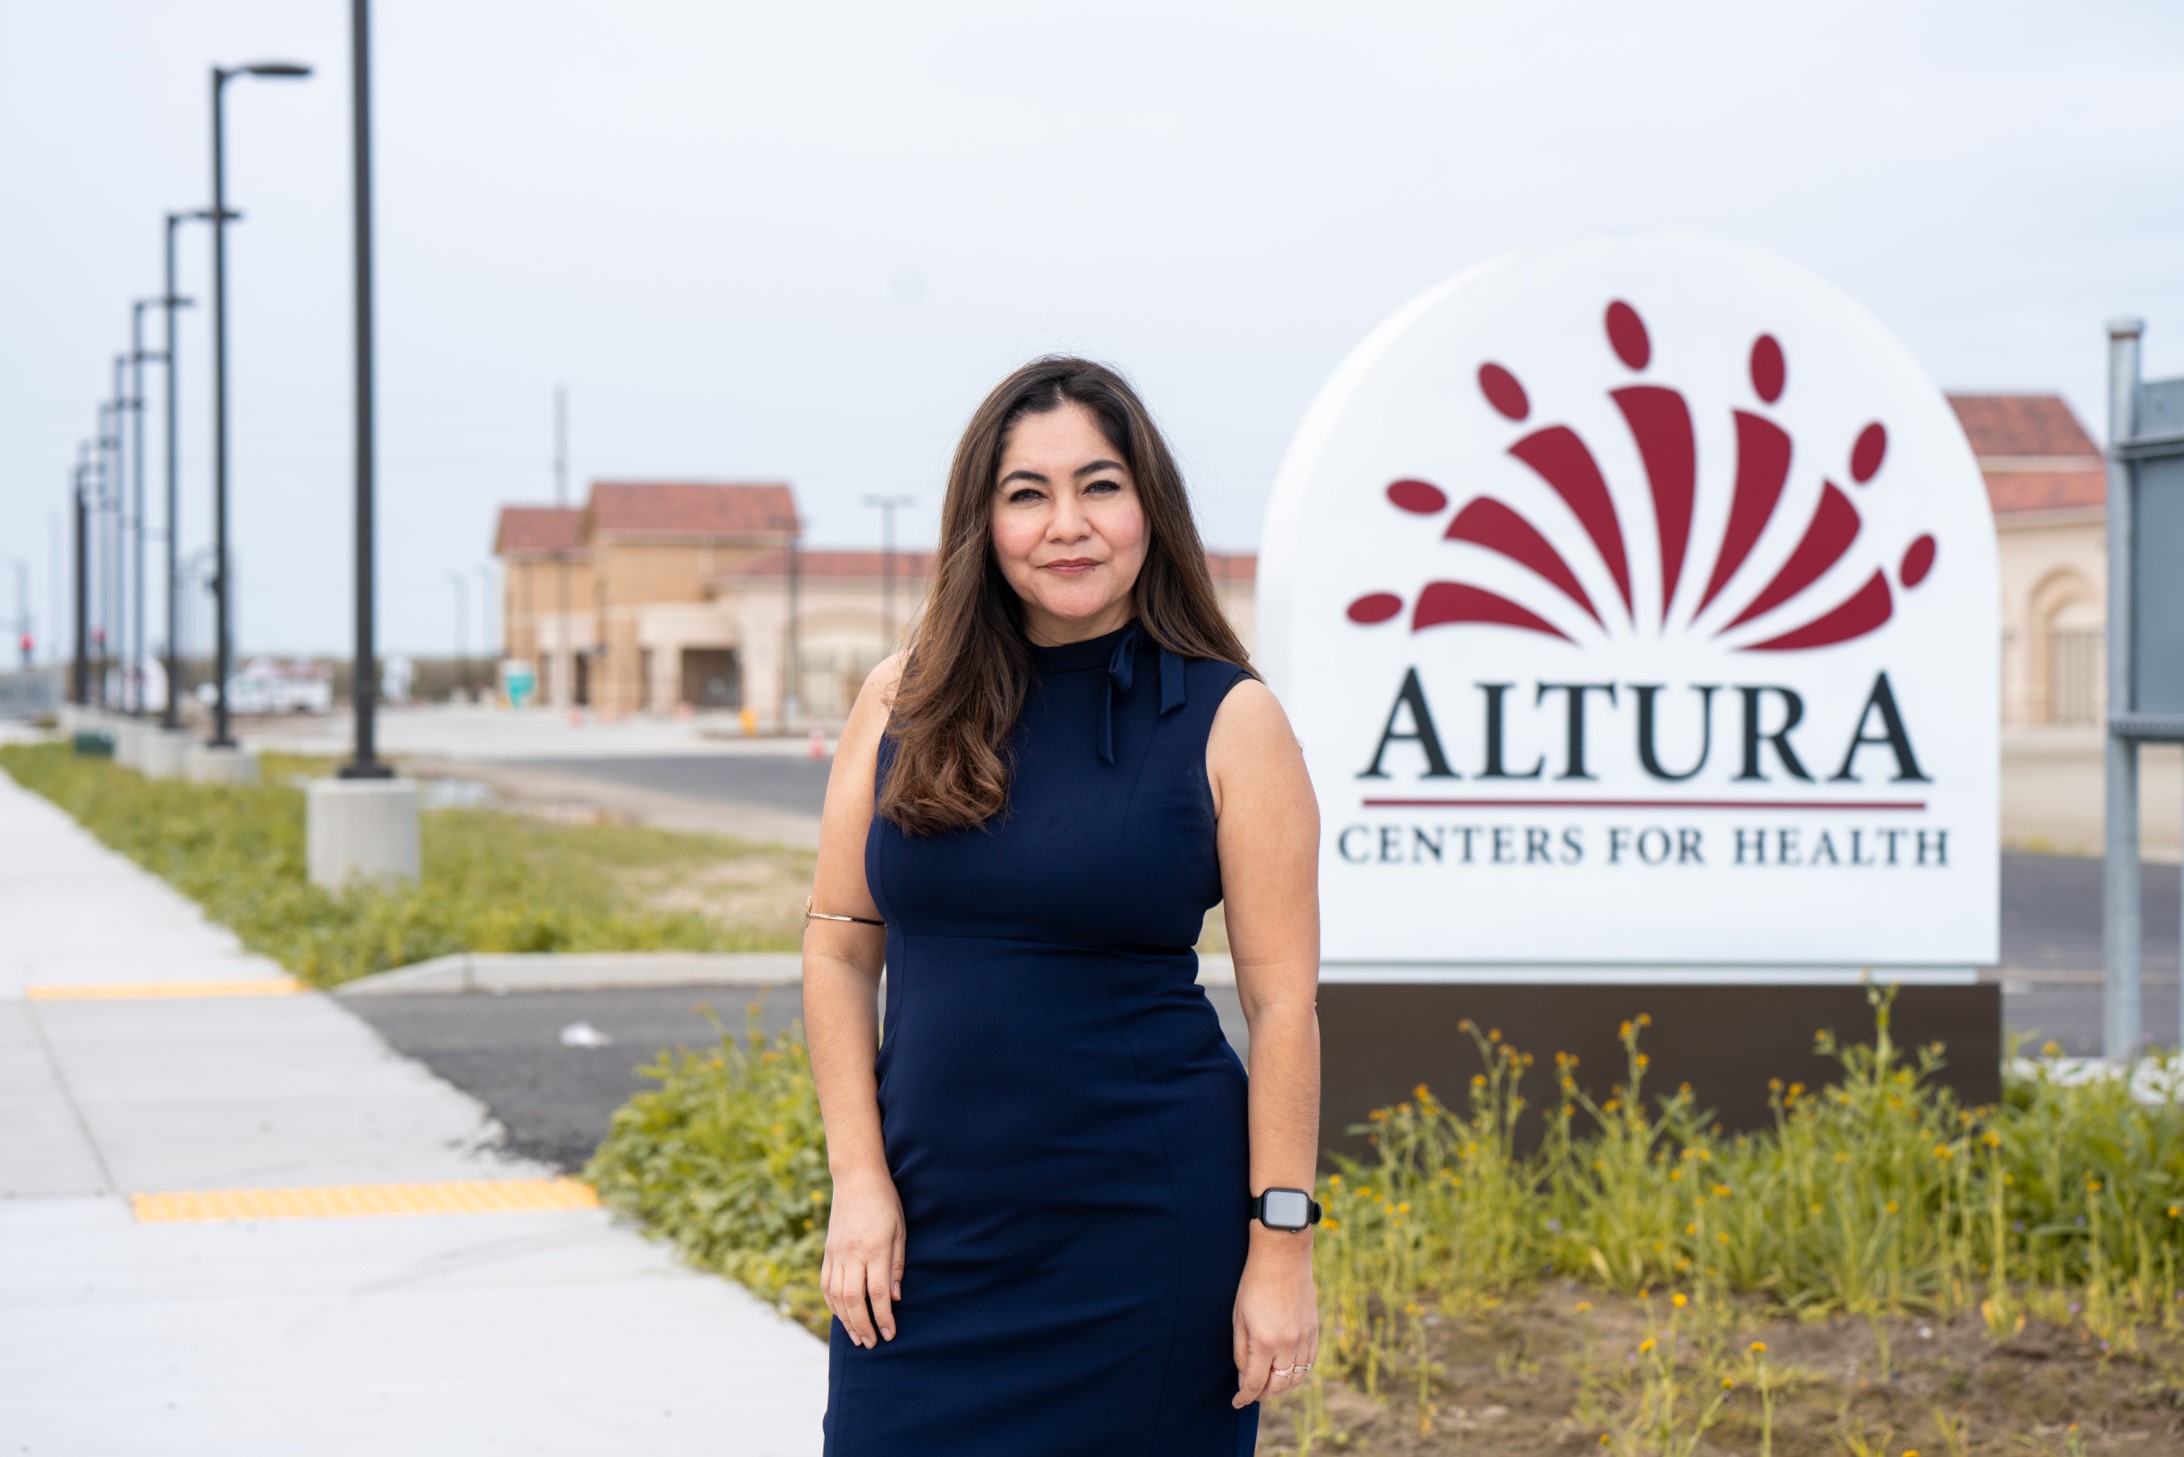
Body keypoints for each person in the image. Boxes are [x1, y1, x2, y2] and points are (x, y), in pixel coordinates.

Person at [803, 356, 1323, 1455]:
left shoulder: (1232, 719)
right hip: (925, 1241)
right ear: (982, 523)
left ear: (1150, 507)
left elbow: (1283, 1007)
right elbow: (843, 945)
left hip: (1144, 1241)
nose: (1067, 524)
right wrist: (858, 1177)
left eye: (1100, 485)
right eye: (1026, 493)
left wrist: (1282, 1249)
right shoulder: (903, 699)